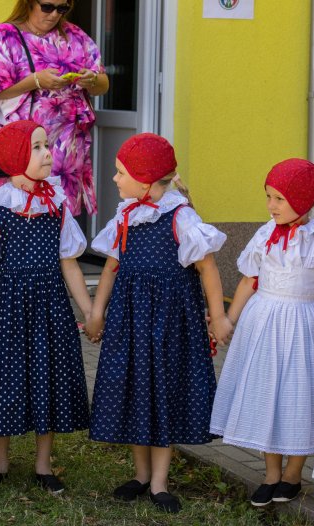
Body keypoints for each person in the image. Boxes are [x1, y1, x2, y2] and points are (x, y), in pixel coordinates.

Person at [84, 133, 231, 513]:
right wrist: (97, 311)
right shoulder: (126, 214)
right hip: (130, 320)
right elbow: (112, 267)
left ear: (147, 182)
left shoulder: (181, 217)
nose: (114, 179)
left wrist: (217, 317)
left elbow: (208, 268)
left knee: (162, 392)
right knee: (135, 389)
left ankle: (160, 482)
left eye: (120, 173)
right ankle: (140, 474)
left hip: (169, 324)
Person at [209, 159, 314, 507]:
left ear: (303, 202)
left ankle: (293, 474)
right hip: (263, 322)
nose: (271, 205)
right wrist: (228, 318)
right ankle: (271, 473)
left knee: (299, 394)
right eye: (269, 196)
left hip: (303, 323)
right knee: (266, 392)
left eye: (279, 199)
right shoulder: (264, 234)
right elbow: (248, 279)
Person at [0, 120, 92, 494]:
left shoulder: (58, 205)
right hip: (6, 310)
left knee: (47, 377)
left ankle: (43, 463)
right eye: (37, 147)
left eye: (46, 145)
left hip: (50, 308)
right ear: (16, 158)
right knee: (5, 379)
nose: (47, 153)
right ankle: (0, 461)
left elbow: (69, 263)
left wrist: (89, 311)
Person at [0, 0, 109, 216]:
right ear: (28, 3)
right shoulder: (5, 35)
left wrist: (91, 80)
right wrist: (35, 81)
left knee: (58, 220)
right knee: (17, 217)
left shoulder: (76, 36)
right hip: (21, 146)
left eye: (62, 8)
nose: (54, 15)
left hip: (65, 145)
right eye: (47, 7)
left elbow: (103, 84)